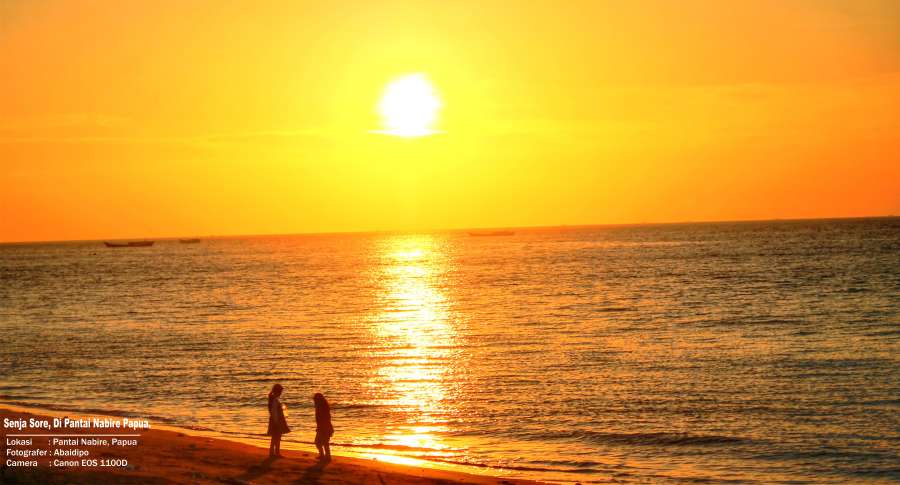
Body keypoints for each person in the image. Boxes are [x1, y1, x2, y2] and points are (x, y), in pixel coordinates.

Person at [267, 384, 290, 458]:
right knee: (276, 437)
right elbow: (274, 412)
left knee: (275, 437)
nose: (281, 393)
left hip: (274, 420)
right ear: (277, 391)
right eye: (280, 391)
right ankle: (276, 453)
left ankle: (273, 453)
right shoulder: (274, 400)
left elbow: (273, 411)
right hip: (276, 421)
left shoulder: (273, 399)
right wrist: (277, 422)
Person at [313, 393, 333, 460]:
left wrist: (321, 427)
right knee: (322, 442)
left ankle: (326, 456)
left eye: (315, 399)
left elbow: (325, 418)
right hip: (324, 426)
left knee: (321, 442)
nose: (314, 401)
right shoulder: (321, 406)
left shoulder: (322, 407)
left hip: (325, 427)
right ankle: (325, 455)